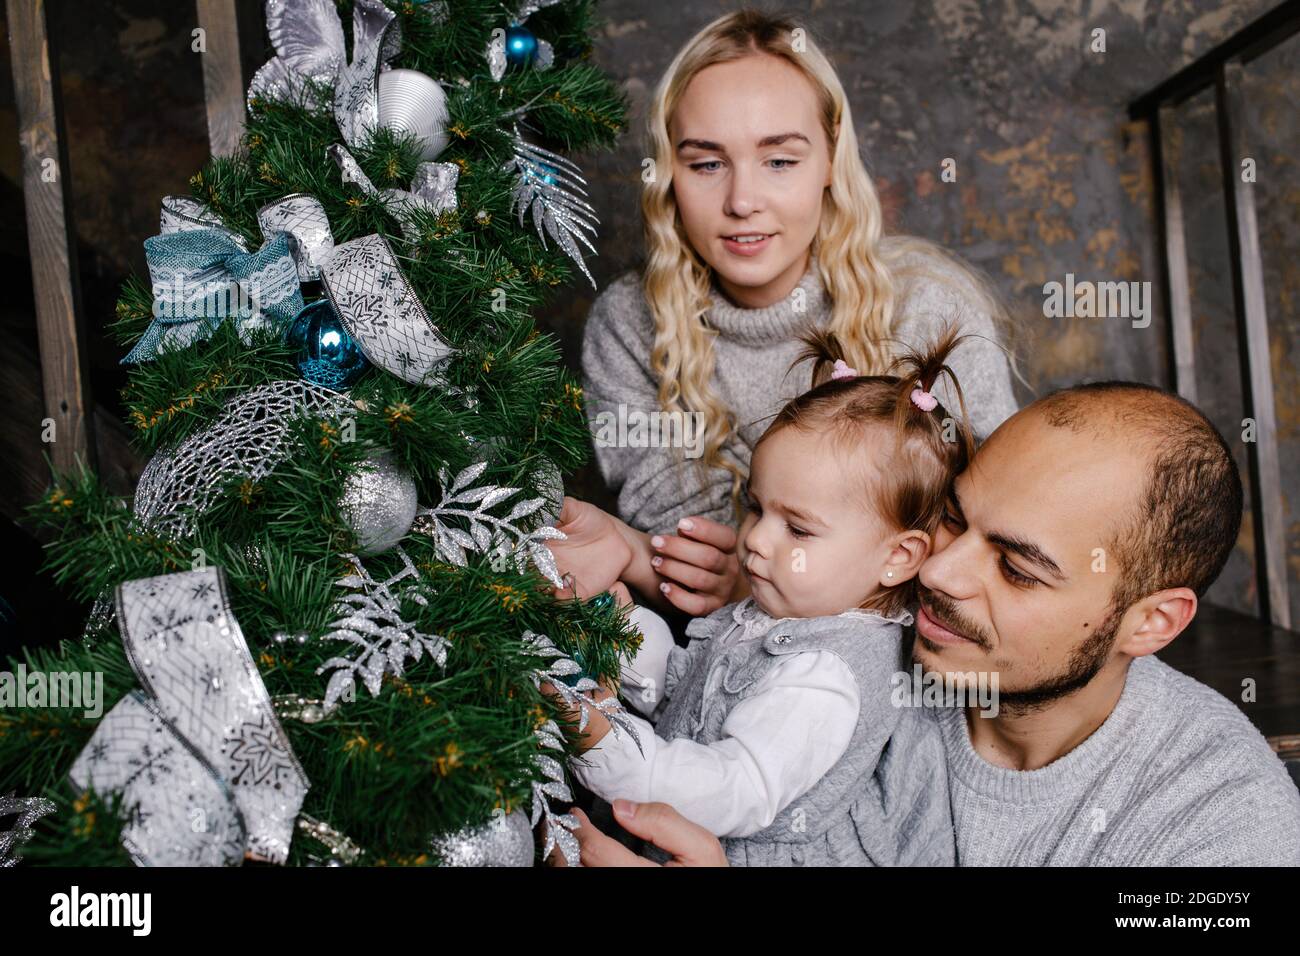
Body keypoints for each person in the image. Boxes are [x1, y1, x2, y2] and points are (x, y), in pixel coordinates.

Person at [550, 382, 1300, 866]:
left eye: (1017, 568)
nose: (938, 575)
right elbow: (769, 596)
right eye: (954, 519)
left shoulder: (1222, 819)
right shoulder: (881, 631)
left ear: (1151, 622)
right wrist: (626, 555)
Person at [577, 9, 1018, 620]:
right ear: (668, 175)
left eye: (779, 161)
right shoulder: (628, 323)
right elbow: (683, 540)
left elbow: (985, 530)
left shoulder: (929, 304)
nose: (742, 202)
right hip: (721, 648)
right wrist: (735, 567)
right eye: (706, 164)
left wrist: (758, 570)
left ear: (832, 160)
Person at [549, 328, 976, 865]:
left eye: (797, 529)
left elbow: (735, 788)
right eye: (756, 507)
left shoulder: (827, 674)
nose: (755, 538)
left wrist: (610, 749)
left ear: (898, 557)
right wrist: (619, 634)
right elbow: (689, 694)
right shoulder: (785, 610)